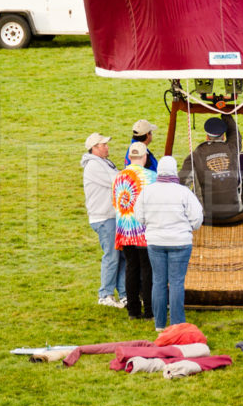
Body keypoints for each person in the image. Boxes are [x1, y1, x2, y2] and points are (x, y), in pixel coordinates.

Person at [135, 156, 204, 331]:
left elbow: (139, 216)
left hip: (155, 242)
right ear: (174, 170)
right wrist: (187, 228)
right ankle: (177, 323)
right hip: (180, 242)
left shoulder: (147, 192)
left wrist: (152, 226)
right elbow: (197, 218)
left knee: (158, 282)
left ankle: (159, 323)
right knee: (176, 283)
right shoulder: (183, 192)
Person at [81, 132, 127, 309]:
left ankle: (123, 294)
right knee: (112, 256)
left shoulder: (103, 163)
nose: (107, 147)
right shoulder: (94, 166)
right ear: (95, 148)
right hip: (104, 217)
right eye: (104, 145)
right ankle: (105, 294)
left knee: (120, 256)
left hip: (110, 216)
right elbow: (117, 180)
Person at [113, 141, 156, 320]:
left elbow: (115, 203)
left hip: (124, 229)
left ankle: (133, 310)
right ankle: (149, 311)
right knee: (147, 271)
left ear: (129, 158)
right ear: (145, 157)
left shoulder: (118, 177)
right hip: (144, 230)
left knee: (131, 269)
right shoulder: (152, 176)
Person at [179, 115, 241, 220]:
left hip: (207, 215)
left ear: (207, 137)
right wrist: (224, 112)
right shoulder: (232, 148)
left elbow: (181, 185)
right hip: (234, 211)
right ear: (224, 137)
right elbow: (235, 133)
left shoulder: (196, 155)